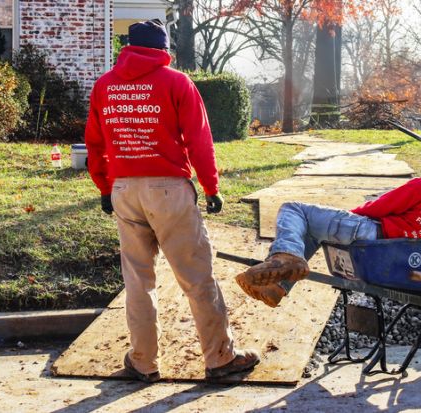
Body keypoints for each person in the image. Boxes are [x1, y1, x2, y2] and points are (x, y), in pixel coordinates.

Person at [85, 19, 259, 383]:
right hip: (168, 191)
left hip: (123, 190)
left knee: (137, 281)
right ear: (164, 48)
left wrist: (105, 187)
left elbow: (95, 144)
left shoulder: (105, 86)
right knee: (197, 277)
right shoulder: (176, 82)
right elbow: (198, 140)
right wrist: (211, 187)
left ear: (128, 47)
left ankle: (143, 361)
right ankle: (220, 358)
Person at [236, 139, 421, 307]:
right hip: (408, 255)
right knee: (312, 230)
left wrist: (349, 214)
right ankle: (277, 286)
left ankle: (286, 256)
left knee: (294, 210)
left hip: (374, 239)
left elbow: (382, 206)